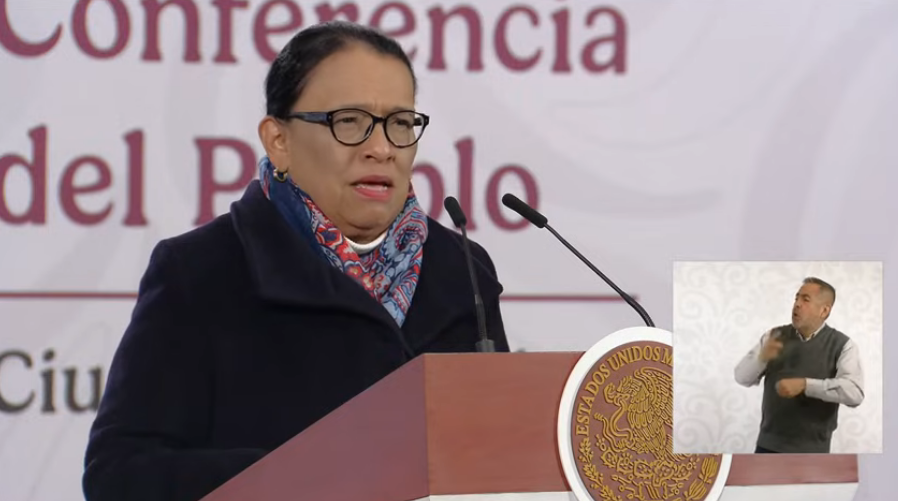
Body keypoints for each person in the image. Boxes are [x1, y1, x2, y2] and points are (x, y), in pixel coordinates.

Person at [82, 21, 510, 501]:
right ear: (279, 141)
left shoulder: (462, 270)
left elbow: (501, 459)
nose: (382, 148)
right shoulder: (199, 271)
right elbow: (119, 475)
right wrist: (306, 472)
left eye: (400, 123)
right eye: (350, 121)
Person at [734, 276, 864, 453]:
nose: (797, 304)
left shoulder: (843, 345)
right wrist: (761, 358)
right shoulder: (774, 336)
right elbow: (741, 377)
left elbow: (855, 393)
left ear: (824, 311)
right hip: (767, 447)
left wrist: (805, 385)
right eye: (796, 298)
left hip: (813, 451)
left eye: (805, 299)